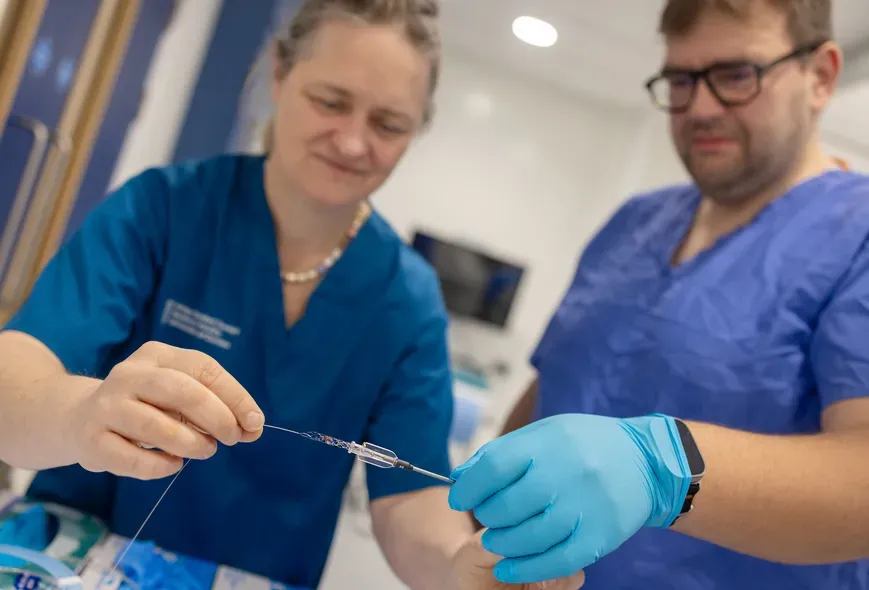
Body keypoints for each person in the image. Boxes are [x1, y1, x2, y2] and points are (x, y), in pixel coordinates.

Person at [0, 1, 591, 589]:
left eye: (388, 124)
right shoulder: (163, 211)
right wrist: (81, 415)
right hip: (69, 558)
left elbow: (409, 500)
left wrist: (460, 566)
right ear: (279, 75)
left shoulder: (405, 303)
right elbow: (15, 380)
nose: (354, 143)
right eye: (330, 102)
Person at [447, 1, 869, 589]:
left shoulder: (858, 237)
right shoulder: (632, 224)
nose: (699, 106)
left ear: (820, 76)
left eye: (736, 75)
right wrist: (479, 513)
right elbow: (555, 390)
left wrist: (662, 465)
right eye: (680, 80)